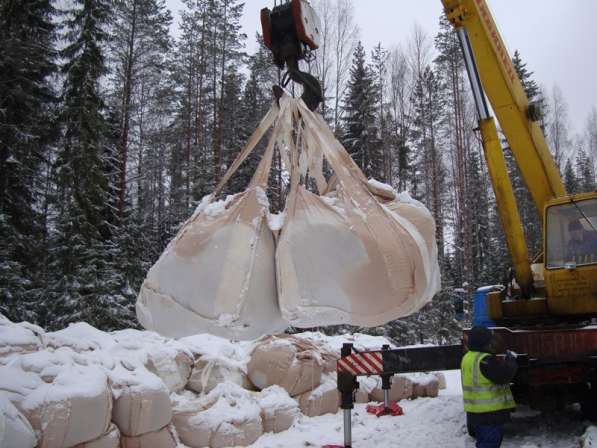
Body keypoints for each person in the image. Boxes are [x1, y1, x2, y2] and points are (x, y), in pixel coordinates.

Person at [462, 326, 517, 448]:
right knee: (490, 443)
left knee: (483, 442)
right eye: (490, 340)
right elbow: (504, 376)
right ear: (484, 342)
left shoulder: (468, 357)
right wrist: (511, 360)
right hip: (489, 414)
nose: (492, 343)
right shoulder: (485, 360)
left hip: (475, 413)